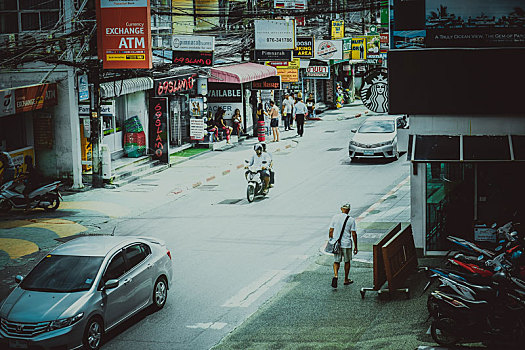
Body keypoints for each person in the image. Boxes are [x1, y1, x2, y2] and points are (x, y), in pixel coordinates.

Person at [328, 203, 358, 288]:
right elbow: (354, 234)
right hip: (346, 244)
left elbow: (331, 230)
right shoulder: (351, 220)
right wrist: (356, 246)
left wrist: (331, 239)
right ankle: (346, 279)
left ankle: (336, 275)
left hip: (337, 244)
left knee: (336, 261)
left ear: (341, 209)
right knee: (347, 261)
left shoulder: (335, 217)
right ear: (348, 210)